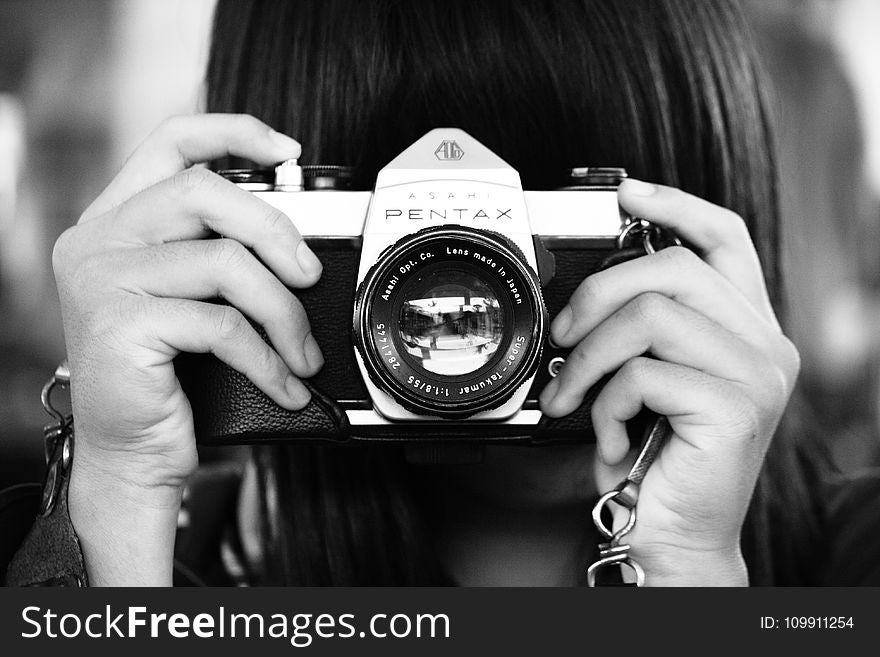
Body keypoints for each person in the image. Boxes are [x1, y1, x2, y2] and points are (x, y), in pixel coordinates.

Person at [5, 0, 878, 587]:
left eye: (549, 243)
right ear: (268, 236)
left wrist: (693, 575)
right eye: (409, 247)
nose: (512, 320)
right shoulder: (156, 551)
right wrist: (117, 508)